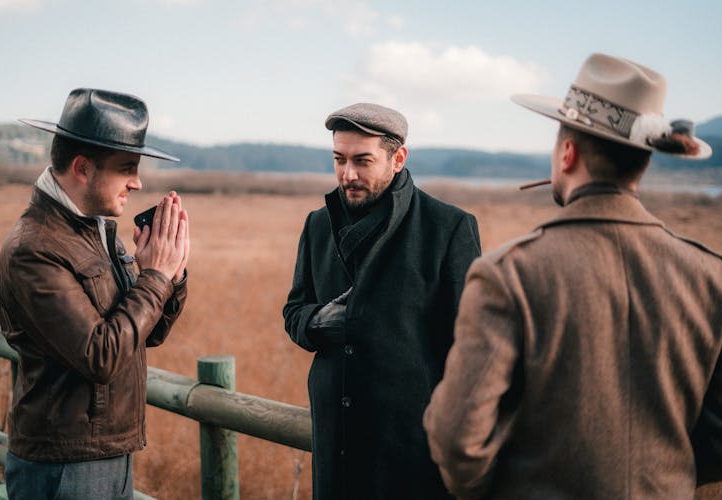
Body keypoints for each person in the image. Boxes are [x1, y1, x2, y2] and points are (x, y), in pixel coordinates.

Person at [423, 52, 722, 499]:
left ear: (567, 153)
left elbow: (456, 438)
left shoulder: (509, 275)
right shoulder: (710, 276)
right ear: (642, 162)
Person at [0, 88, 190, 499]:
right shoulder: (35, 248)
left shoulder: (94, 230)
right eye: (127, 168)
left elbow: (143, 335)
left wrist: (170, 274)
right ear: (83, 168)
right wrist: (154, 276)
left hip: (105, 453)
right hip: (63, 465)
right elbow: (101, 355)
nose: (138, 182)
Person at [283, 102, 481, 499]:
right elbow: (294, 311)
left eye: (362, 161)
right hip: (333, 443)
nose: (347, 174)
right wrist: (317, 320)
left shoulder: (449, 228)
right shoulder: (318, 225)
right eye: (338, 159)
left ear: (398, 157)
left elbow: (472, 348)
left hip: (412, 454)